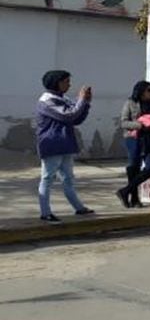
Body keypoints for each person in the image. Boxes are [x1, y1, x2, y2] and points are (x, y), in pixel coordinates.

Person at [35, 70, 94, 222]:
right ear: (57, 83)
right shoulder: (46, 101)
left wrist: (85, 102)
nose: (69, 84)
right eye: (66, 81)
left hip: (65, 143)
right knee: (47, 178)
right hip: (52, 144)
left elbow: (76, 118)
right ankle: (45, 212)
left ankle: (79, 208)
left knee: (68, 178)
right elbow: (68, 115)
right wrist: (81, 100)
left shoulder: (62, 99)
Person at [117, 80, 150, 209]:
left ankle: (125, 191)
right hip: (134, 138)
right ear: (141, 91)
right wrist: (140, 125)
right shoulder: (130, 103)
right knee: (134, 167)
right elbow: (123, 122)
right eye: (149, 90)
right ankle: (134, 198)